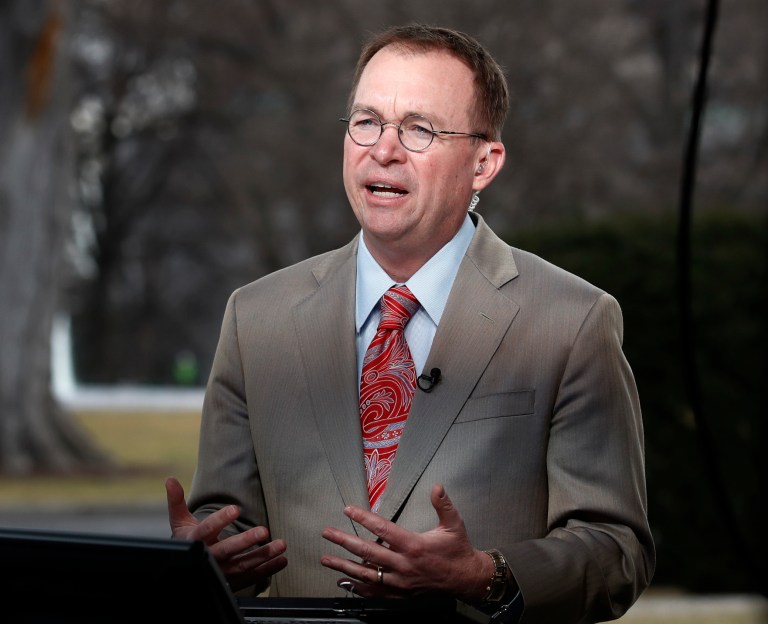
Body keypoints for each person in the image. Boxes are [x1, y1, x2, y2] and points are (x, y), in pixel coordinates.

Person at [165, 24, 655, 623]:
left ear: (483, 162)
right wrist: (198, 565)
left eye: (419, 129)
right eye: (367, 122)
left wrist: (483, 575)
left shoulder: (571, 321)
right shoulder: (256, 318)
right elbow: (228, 532)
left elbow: (616, 552)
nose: (383, 149)